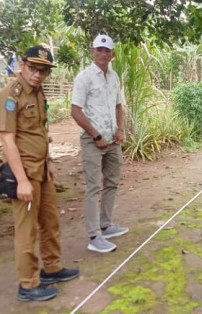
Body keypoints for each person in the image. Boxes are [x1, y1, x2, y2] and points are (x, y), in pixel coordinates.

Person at [0, 46, 79, 302]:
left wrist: (50, 159)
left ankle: (52, 269)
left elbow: (40, 131)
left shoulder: (38, 92)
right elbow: (7, 141)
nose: (38, 74)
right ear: (22, 65)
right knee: (27, 231)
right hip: (25, 172)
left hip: (42, 169)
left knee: (50, 222)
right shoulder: (10, 95)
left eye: (43, 70)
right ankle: (28, 284)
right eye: (33, 68)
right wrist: (21, 180)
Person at [71, 34, 128, 253]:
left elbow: (118, 106)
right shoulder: (84, 77)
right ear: (92, 52)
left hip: (113, 139)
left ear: (112, 54)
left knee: (112, 182)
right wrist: (96, 135)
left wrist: (120, 130)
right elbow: (75, 111)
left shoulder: (113, 77)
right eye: (99, 49)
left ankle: (106, 225)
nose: (103, 54)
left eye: (107, 50)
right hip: (93, 141)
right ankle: (94, 235)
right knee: (93, 187)